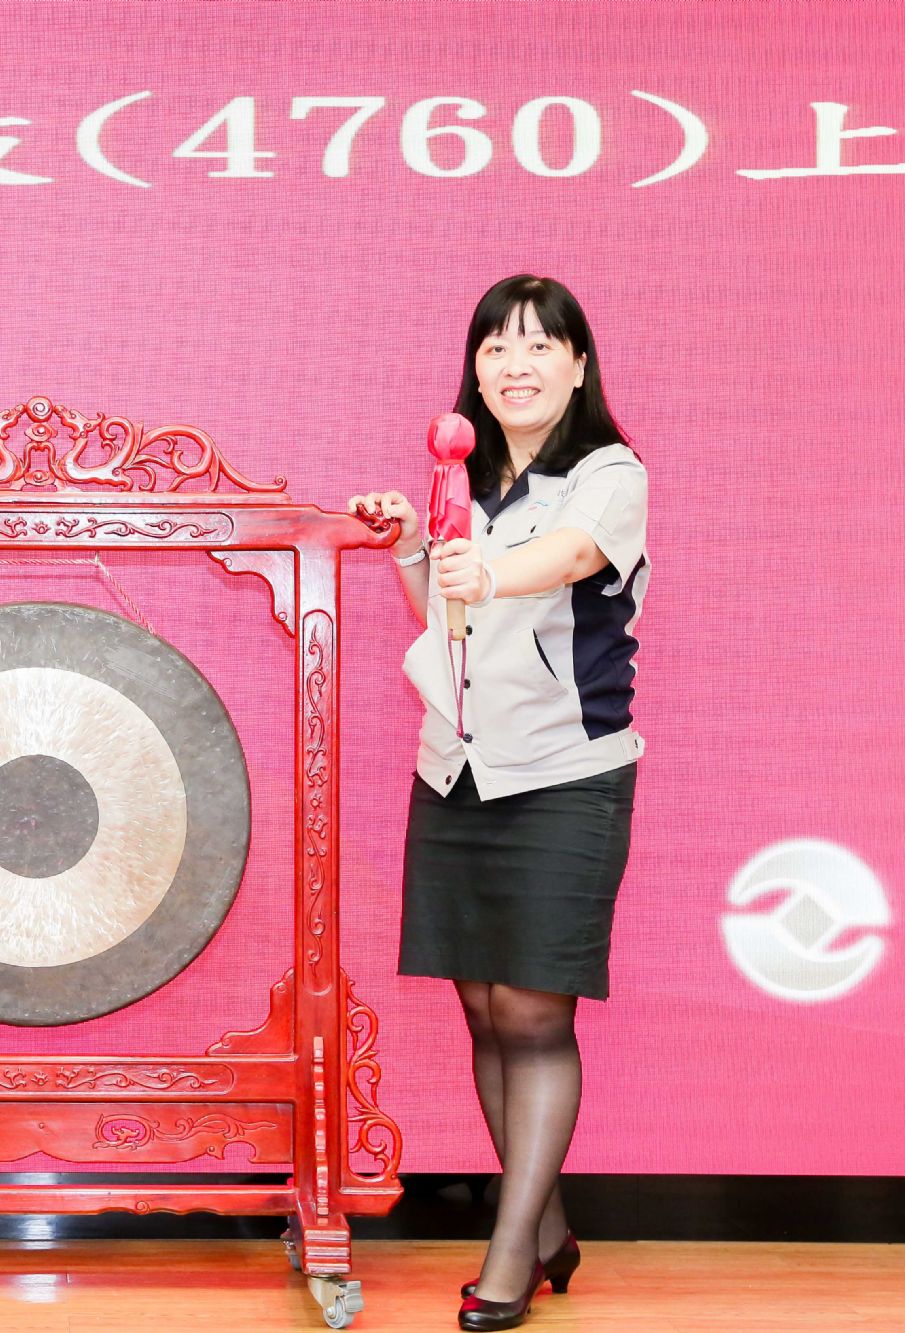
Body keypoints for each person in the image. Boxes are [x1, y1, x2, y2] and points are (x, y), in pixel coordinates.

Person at [349, 274, 647, 1332]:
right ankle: (549, 1225)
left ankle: (510, 1253)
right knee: (481, 1007)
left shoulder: (608, 472)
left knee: (532, 1012)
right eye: (494, 349)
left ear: (577, 363)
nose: (514, 367)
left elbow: (568, 558)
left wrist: (488, 568)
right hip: (457, 769)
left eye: (537, 346)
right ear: (474, 370)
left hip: (565, 773)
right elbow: (446, 616)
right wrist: (410, 543)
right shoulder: (461, 475)